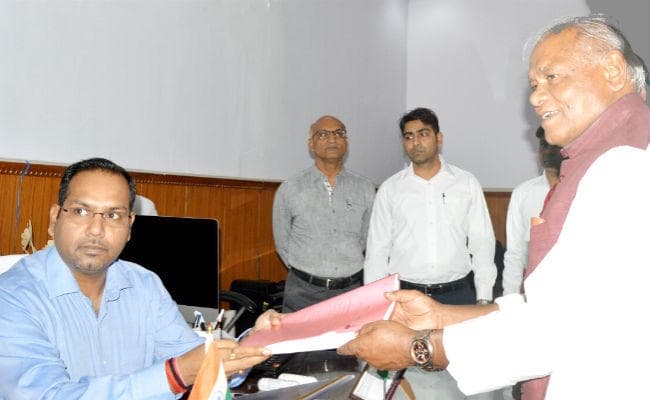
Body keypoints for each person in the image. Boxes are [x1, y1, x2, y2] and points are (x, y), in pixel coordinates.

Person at [339, 15, 650, 399]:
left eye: (552, 77)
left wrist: (418, 347)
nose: (535, 97)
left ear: (613, 71)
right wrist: (441, 316)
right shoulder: (599, 160)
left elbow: (553, 331)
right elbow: (550, 305)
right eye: (534, 85)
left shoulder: (625, 165)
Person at [0, 158, 275, 399]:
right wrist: (175, 375)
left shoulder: (143, 284)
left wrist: (251, 346)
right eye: (81, 211)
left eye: (113, 215)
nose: (96, 230)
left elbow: (196, 359)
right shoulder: (11, 296)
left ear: (130, 227)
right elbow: (46, 395)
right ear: (54, 218)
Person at [363, 107, 497, 399]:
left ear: (439, 138)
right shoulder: (391, 189)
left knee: (461, 379)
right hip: (405, 300)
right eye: (408, 136)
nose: (416, 142)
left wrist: (483, 299)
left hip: (457, 296)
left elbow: (482, 243)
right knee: (406, 382)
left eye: (423, 134)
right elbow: (377, 252)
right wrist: (375, 308)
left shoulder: (465, 183)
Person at [273, 115, 375, 312]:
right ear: (311, 144)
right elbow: (282, 243)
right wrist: (309, 273)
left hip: (351, 291)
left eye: (339, 133)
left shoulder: (365, 188)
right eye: (323, 134)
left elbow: (366, 239)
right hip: (303, 292)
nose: (332, 139)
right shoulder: (291, 188)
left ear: (346, 142)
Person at [501, 128, 562, 296]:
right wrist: (510, 298)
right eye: (543, 144)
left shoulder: (582, 187)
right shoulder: (523, 193)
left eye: (554, 145)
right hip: (532, 292)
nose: (547, 150)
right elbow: (515, 254)